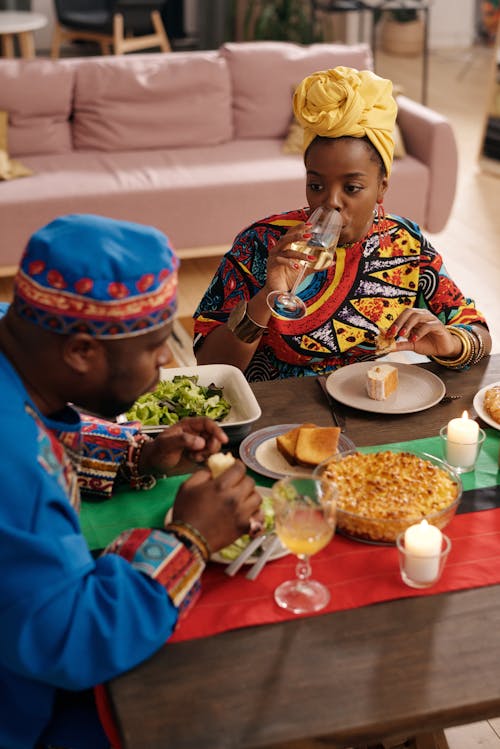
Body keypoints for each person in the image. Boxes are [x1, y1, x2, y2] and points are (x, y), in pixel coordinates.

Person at [0, 214, 262, 749]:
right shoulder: (14, 472)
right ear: (80, 352)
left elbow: (41, 423)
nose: (168, 362)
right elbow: (70, 642)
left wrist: (136, 455)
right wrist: (189, 539)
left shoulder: (13, 333)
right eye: (154, 347)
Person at [193, 67, 491, 381]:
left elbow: (476, 331)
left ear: (382, 187)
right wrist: (266, 297)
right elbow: (211, 369)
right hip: (277, 412)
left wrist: (452, 343)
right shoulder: (264, 243)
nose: (330, 201)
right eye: (317, 186)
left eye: (351, 188)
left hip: (372, 410)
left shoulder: (406, 244)